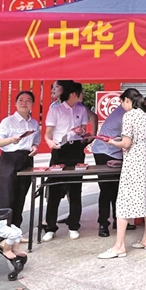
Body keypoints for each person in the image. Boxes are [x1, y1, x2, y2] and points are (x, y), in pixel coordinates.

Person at [98, 88, 146, 259]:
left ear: (127, 100)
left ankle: (119, 246)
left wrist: (112, 142)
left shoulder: (129, 116)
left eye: (122, 102)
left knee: (123, 202)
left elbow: (126, 143)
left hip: (134, 162)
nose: (122, 106)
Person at [43, 80, 88, 241]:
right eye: (79, 93)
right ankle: (50, 227)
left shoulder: (81, 109)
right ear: (73, 94)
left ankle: (74, 226)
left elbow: (84, 131)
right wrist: (50, 143)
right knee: (55, 189)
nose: (81, 95)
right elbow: (48, 134)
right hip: (60, 150)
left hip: (76, 149)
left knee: (75, 189)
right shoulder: (55, 110)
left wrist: (81, 131)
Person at [0, 90, 40, 231]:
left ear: (32, 104)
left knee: (21, 195)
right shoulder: (8, 122)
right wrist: (11, 140)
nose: (24, 103)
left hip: (26, 159)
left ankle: (15, 230)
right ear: (15, 103)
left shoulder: (34, 123)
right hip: (9, 159)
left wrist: (35, 147)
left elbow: (35, 141)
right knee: (6, 195)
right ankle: (3, 231)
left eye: (28, 100)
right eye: (21, 100)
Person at [92, 102, 125, 238]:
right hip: (104, 151)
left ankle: (119, 221)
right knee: (106, 189)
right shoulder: (124, 114)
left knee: (118, 189)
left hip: (115, 152)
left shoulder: (126, 112)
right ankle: (103, 223)